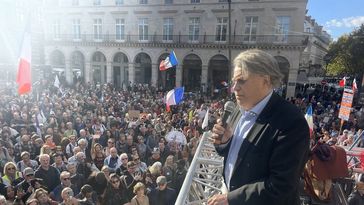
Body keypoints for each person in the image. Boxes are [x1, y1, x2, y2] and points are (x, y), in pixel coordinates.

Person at [208, 49, 310, 205]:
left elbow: (281, 185)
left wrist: (231, 199)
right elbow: (239, 155)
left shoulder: (291, 121)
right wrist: (225, 143)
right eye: (234, 81)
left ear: (266, 80)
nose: (234, 88)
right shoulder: (238, 108)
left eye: (241, 81)